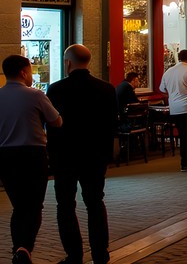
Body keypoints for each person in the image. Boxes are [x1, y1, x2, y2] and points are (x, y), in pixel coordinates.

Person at [45, 45, 118, 264]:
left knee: (65, 205)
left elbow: (51, 125)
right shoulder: (106, 89)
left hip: (65, 156)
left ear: (68, 63)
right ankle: (100, 253)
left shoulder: (56, 90)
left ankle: (74, 255)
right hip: (95, 156)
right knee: (95, 202)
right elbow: (111, 124)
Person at [0, 55, 62, 264]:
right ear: (23, 72)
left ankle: (18, 248)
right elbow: (56, 121)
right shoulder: (35, 95)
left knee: (18, 205)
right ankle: (25, 248)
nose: (32, 75)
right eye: (30, 71)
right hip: (33, 155)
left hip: (5, 156)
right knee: (35, 205)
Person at [159, 49, 187, 172]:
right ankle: (185, 161)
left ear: (178, 57)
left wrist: (173, 95)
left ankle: (186, 160)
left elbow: (162, 89)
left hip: (175, 110)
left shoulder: (168, 72)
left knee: (183, 134)